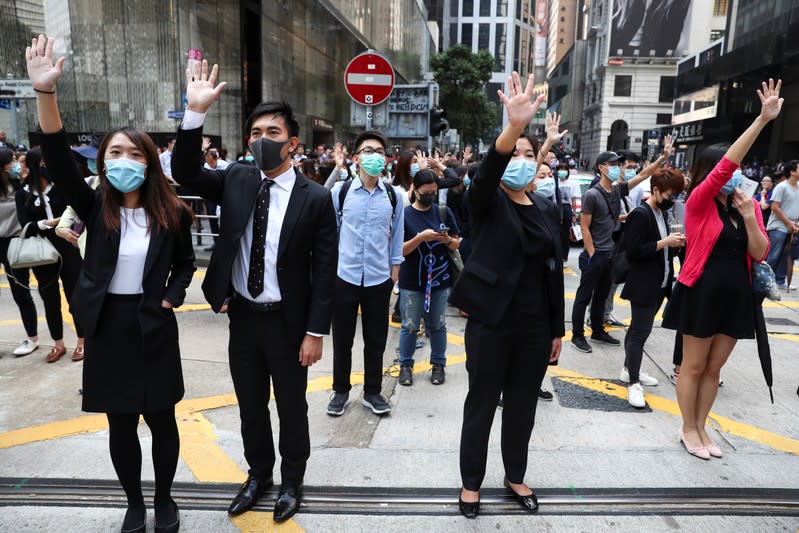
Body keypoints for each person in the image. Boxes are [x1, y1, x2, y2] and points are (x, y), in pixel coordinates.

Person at [27, 34, 196, 533]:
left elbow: (186, 265)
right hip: (106, 325)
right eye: (114, 152)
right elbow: (57, 156)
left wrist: (172, 297)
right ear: (102, 161)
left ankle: (164, 499)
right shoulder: (92, 205)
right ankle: (135, 504)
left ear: (148, 161)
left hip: (153, 322)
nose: (123, 159)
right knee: (120, 424)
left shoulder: (173, 213)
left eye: (133, 152)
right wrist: (45, 94)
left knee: (162, 421)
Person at [172, 59, 337, 522]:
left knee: (291, 407)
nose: (263, 139)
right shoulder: (236, 179)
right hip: (243, 316)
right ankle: (258, 474)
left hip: (289, 322)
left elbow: (324, 271)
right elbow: (186, 171)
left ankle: (292, 482)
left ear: (293, 142)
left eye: (273, 132)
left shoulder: (316, 199)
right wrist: (194, 115)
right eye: (256, 132)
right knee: (250, 405)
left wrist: (314, 332)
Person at [449, 72, 564, 518]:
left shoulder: (547, 208)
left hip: (535, 328)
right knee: (481, 403)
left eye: (528, 153)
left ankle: (515, 475)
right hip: (491, 325)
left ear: (539, 163)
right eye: (516, 152)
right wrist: (513, 127)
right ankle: (471, 484)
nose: (521, 158)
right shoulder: (486, 201)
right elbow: (489, 171)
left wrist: (557, 330)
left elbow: (553, 273)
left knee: (522, 407)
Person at [662, 79, 779, 460]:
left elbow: (760, 253)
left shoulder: (745, 207)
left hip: (736, 296)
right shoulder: (698, 202)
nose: (736, 174)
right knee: (692, 368)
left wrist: (749, 216)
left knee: (714, 369)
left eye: (740, 170)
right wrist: (761, 121)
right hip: (701, 292)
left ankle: (702, 426)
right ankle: (688, 429)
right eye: (731, 169)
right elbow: (726, 164)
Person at [327, 130, 404, 417]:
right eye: (369, 151)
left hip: (378, 278)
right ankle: (341, 390)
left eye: (380, 152)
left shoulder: (395, 197)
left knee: (376, 340)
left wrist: (394, 271)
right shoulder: (341, 192)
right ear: (357, 158)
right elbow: (330, 233)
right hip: (344, 276)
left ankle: (372, 392)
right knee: (342, 340)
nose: (376, 157)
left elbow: (397, 236)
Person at [570, 140, 672, 353]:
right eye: (612, 164)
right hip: (595, 255)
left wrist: (662, 158)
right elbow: (585, 227)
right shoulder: (592, 194)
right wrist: (591, 254)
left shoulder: (616, 192)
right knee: (584, 296)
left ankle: (597, 330)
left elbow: (642, 176)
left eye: (618, 164)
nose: (617, 167)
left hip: (611, 254)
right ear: (601, 168)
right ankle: (578, 335)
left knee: (602, 295)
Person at [619, 167, 686, 408]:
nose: (673, 200)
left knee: (638, 330)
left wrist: (673, 245)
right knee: (640, 333)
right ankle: (633, 383)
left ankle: (628, 369)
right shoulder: (641, 213)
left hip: (660, 283)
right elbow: (634, 251)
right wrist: (664, 242)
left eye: (677, 195)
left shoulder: (661, 213)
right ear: (655, 190)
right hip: (643, 284)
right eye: (670, 195)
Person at [14, 147, 86, 362]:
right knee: (49, 298)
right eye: (46, 164)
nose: (50, 167)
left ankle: (83, 341)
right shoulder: (23, 193)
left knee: (75, 296)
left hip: (68, 247)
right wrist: (52, 223)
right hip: (41, 252)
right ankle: (58, 343)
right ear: (36, 166)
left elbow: (76, 214)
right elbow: (25, 226)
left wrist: (46, 224)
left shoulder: (63, 188)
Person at [397, 169, 460, 386]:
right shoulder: (404, 215)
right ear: (414, 189)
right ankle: (405, 365)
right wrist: (420, 237)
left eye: (434, 192)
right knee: (410, 325)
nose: (430, 196)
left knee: (437, 324)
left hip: (439, 280)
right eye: (426, 192)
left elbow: (457, 242)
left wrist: (447, 241)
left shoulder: (442, 212)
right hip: (412, 281)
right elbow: (400, 250)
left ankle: (438, 365)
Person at [0, 148, 40, 357]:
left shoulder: (21, 187)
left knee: (20, 292)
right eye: (13, 161)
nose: (17, 164)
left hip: (14, 243)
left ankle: (32, 338)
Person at [764, 161, 799, 290]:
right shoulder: (781, 187)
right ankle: (765, 281)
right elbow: (774, 207)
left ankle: (780, 280)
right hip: (778, 226)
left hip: (793, 227)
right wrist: (788, 222)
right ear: (792, 172)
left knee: (787, 255)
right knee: (773, 255)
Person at [556, 162, 579, 262]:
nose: (562, 171)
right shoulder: (554, 182)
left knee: (565, 234)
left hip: (566, 208)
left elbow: (573, 199)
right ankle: (556, 255)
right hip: (556, 208)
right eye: (560, 169)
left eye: (564, 169)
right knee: (556, 233)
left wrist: (574, 214)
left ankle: (564, 257)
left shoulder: (572, 183)